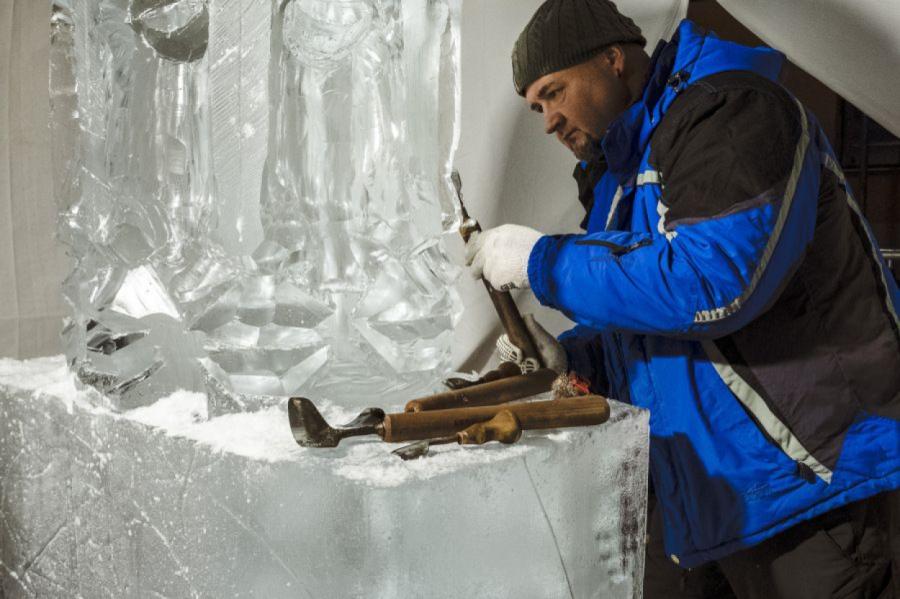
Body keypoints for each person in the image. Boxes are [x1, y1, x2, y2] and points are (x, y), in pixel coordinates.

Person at [465, 1, 900, 597]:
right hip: (714, 504)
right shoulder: (619, 177)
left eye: (554, 91)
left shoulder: (733, 112)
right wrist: (574, 362)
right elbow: (654, 331)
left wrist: (544, 261)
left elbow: (714, 284)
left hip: (812, 488)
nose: (548, 121)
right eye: (537, 106)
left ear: (612, 61)